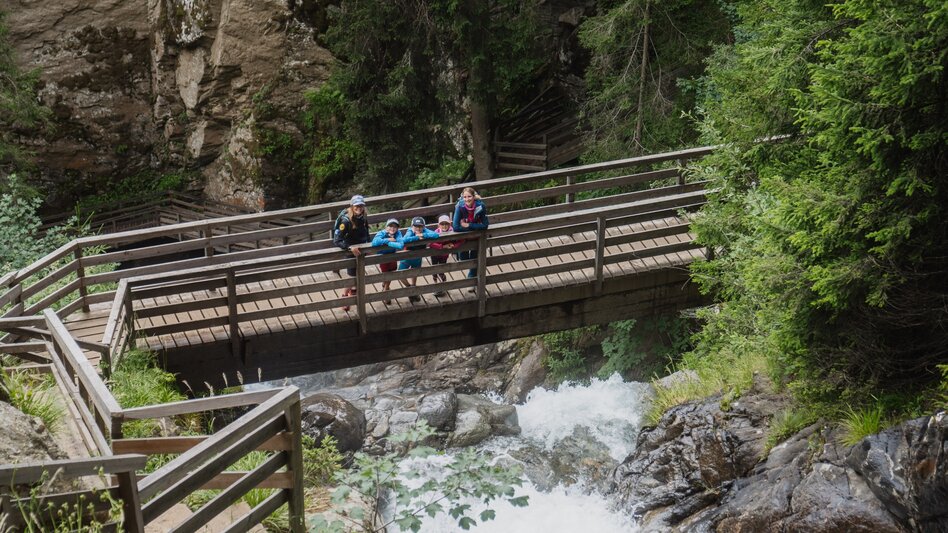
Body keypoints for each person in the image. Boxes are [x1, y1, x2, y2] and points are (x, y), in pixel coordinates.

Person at [333, 194, 370, 311]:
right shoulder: (346, 220)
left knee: (360, 273)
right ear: (352, 206)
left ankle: (353, 293)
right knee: (351, 275)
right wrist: (349, 248)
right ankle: (344, 297)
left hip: (361, 250)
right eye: (357, 205)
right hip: (350, 251)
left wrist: (369, 246)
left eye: (361, 205)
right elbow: (337, 240)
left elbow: (366, 232)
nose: (359, 207)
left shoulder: (363, 216)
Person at [452, 186, 488, 286]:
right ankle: (471, 277)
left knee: (474, 257)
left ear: (474, 197)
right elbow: (455, 227)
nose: (467, 199)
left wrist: (469, 225)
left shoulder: (481, 206)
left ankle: (472, 281)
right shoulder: (460, 206)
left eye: (469, 196)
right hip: (463, 237)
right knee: (464, 259)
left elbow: (485, 225)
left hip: (476, 237)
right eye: (465, 197)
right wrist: (476, 227)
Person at [399, 216, 439, 303]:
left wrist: (423, 235)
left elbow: (435, 235)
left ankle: (413, 290)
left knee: (415, 274)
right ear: (412, 226)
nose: (418, 228)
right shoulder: (410, 231)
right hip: (407, 256)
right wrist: (417, 237)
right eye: (416, 226)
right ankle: (411, 290)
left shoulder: (424, 231)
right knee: (400, 274)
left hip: (418, 257)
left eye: (420, 226)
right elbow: (404, 240)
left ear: (424, 226)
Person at [371, 218, 405, 305]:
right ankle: (386, 290)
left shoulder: (398, 233)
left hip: (392, 256)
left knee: (392, 272)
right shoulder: (382, 233)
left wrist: (389, 244)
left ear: (397, 228)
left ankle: (385, 287)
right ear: (386, 227)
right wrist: (388, 240)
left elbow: (400, 245)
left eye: (395, 227)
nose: (392, 229)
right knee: (386, 274)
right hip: (383, 257)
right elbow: (375, 242)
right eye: (390, 226)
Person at [428, 214, 459, 297]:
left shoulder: (453, 231)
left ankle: (443, 286)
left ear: (450, 224)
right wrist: (442, 246)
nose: (444, 226)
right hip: (434, 254)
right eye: (442, 224)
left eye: (446, 224)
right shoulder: (436, 232)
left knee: (441, 270)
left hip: (444, 255)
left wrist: (453, 245)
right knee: (434, 270)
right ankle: (436, 286)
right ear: (439, 225)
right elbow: (430, 243)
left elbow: (460, 240)